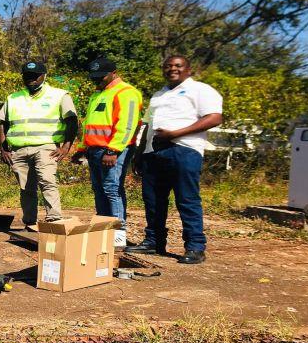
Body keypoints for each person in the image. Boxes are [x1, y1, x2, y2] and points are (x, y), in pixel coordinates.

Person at [126, 55, 223, 264]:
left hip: (183, 150)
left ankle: (195, 247)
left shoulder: (201, 90)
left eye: (178, 66)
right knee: (153, 201)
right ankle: (154, 241)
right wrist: (139, 153)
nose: (172, 69)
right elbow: (147, 126)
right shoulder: (158, 95)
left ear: (189, 69)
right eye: (168, 66)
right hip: (153, 153)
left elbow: (214, 117)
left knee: (187, 200)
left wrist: (176, 133)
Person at [71, 57, 143, 248]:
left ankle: (118, 238)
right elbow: (88, 125)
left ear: (113, 73)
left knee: (112, 190)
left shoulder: (127, 93)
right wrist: (81, 149)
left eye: (101, 76)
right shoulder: (98, 94)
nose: (97, 80)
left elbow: (127, 125)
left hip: (113, 150)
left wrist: (113, 150)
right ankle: (103, 233)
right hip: (94, 150)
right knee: (99, 190)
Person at [0, 61, 77, 230]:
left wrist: (66, 147)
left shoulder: (59, 95)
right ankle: (30, 223)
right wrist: (4, 148)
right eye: (27, 76)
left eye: (35, 76)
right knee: (26, 188)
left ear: (44, 76)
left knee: (47, 182)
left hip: (46, 146)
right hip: (19, 149)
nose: (31, 79)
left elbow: (72, 122)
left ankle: (54, 220)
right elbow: (3, 124)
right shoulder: (13, 98)